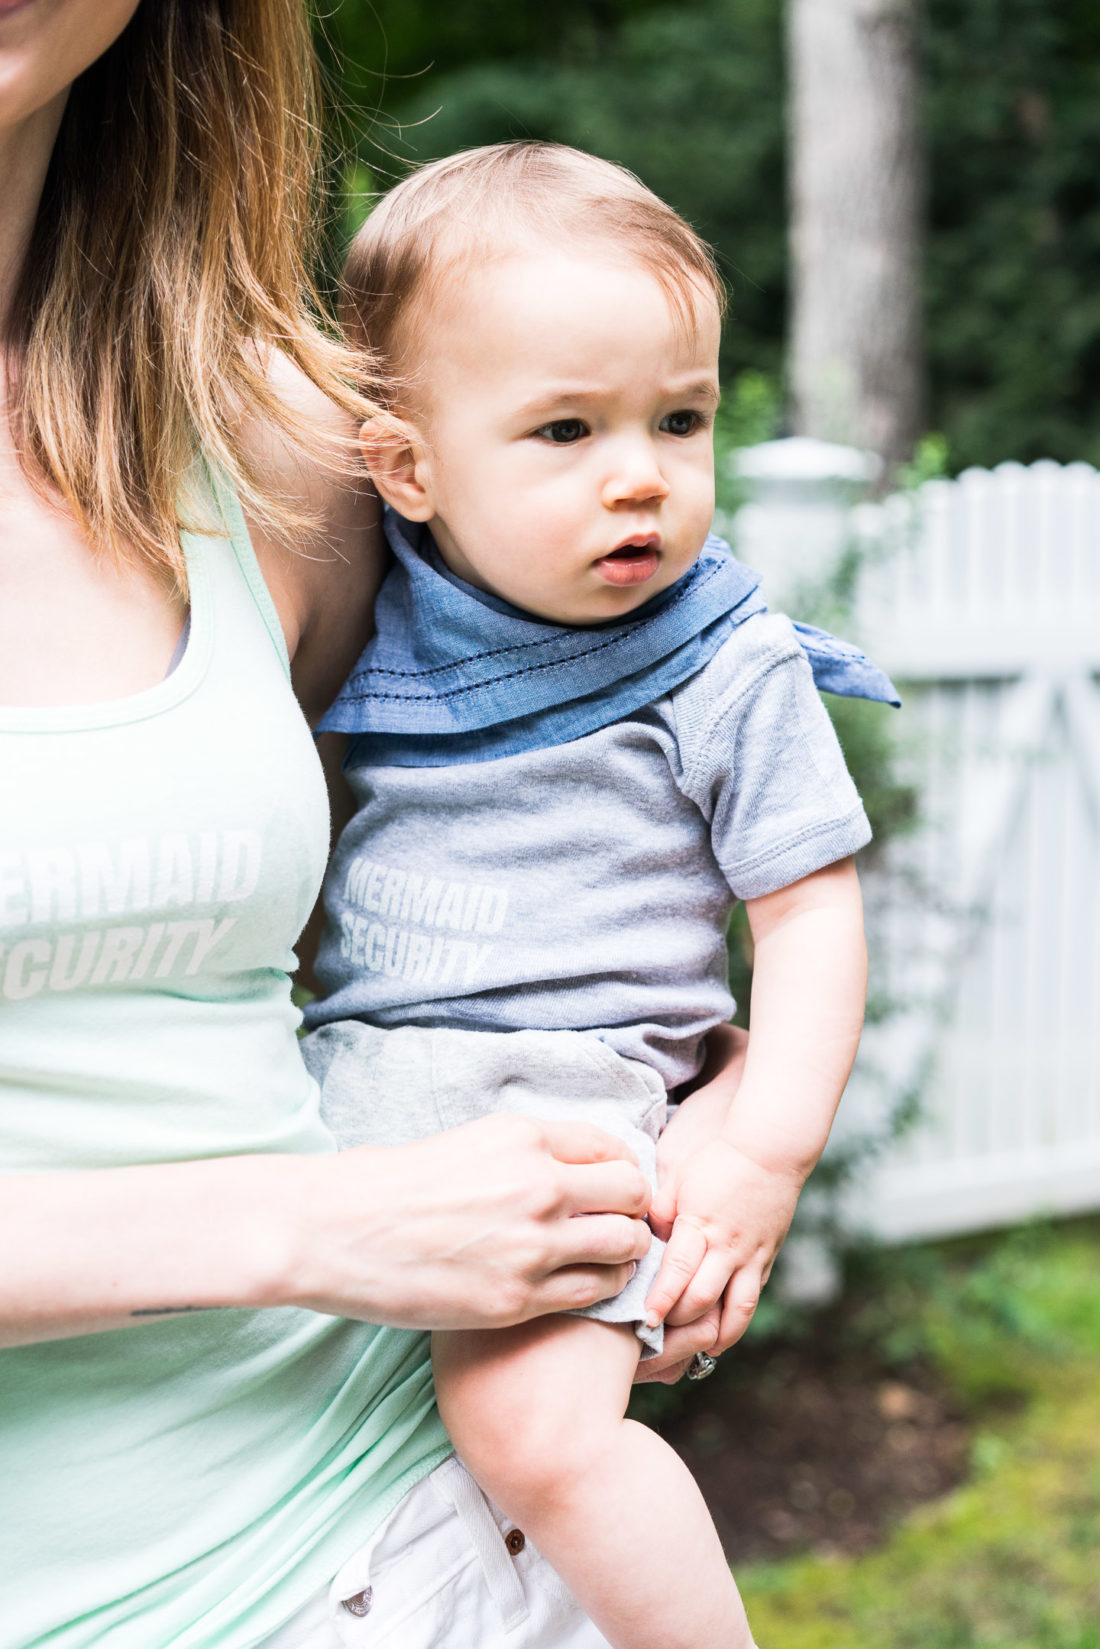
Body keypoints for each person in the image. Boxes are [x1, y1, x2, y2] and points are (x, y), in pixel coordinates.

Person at [0, 13, 738, 1648]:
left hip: (414, 1548)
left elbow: (509, 838)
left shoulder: (287, 439)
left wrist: (714, 1115)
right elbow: (355, 1218)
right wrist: (322, 1225)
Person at [303, 142, 897, 1649]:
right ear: (409, 469)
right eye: (565, 429)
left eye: (677, 419)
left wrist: (759, 1155)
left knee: (538, 1438)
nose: (641, 473)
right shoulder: (386, 621)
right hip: (353, 1102)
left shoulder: (720, 660)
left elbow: (812, 910)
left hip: (576, 1111)